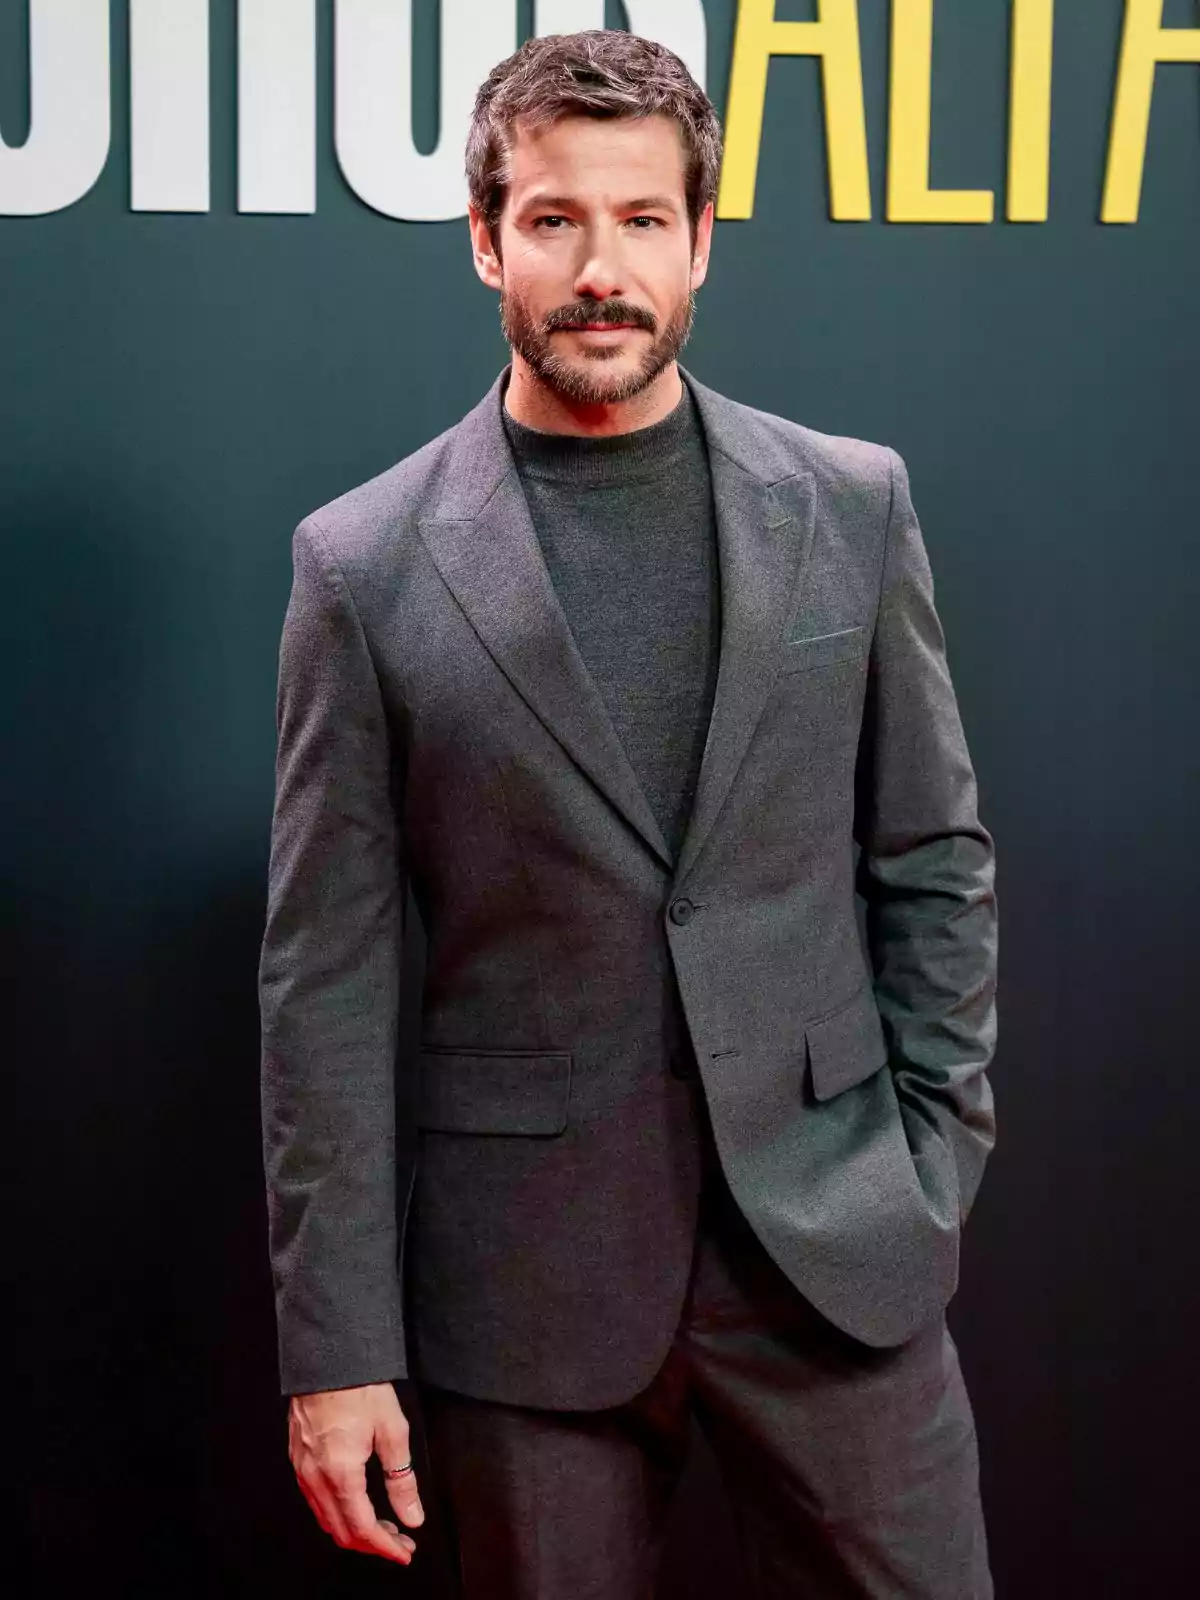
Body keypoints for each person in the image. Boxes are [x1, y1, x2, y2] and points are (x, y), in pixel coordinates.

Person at [258, 29, 998, 1600]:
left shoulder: (852, 505)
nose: (603, 268)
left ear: (701, 242)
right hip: (524, 1294)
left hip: (839, 1249)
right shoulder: (363, 566)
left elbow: (932, 859)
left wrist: (934, 1159)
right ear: (484, 239)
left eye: (643, 221)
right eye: (554, 221)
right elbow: (323, 985)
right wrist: (335, 1348)